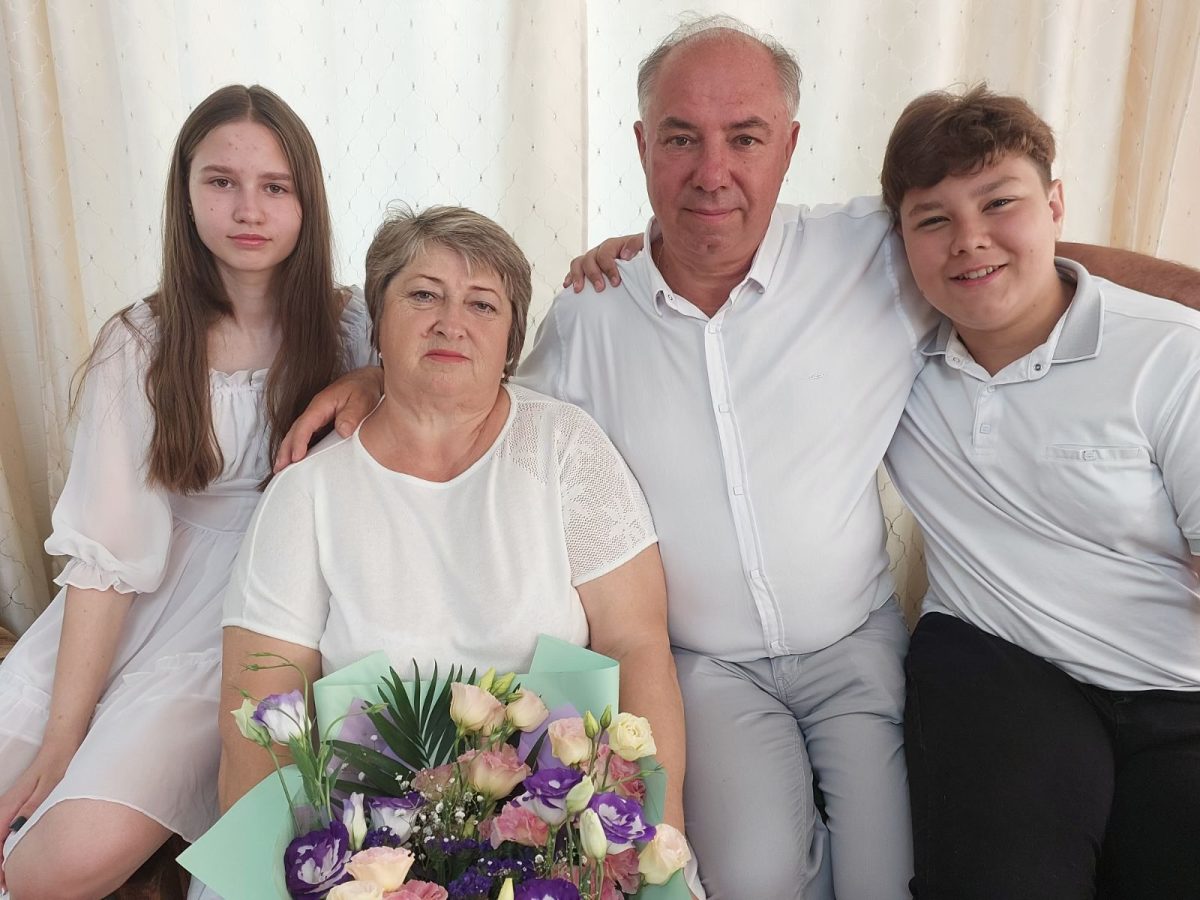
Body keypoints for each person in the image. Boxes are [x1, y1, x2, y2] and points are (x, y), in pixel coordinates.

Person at [276, 17, 1200, 899]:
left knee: (890, 884)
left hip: (855, 643)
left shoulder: (872, 252)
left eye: (745, 138)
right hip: (709, 667)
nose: (712, 170)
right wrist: (378, 383)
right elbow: (487, 390)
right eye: (681, 139)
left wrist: (1181, 293)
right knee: (753, 879)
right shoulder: (595, 312)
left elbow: (1007, 249)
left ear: (790, 145)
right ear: (642, 147)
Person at [218, 206, 690, 853]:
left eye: (482, 305)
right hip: (365, 851)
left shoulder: (564, 447)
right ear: (378, 327)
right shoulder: (307, 494)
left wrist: (654, 840)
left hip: (557, 836)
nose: (450, 323)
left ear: (511, 342)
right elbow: (259, 717)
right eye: (423, 295)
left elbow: (638, 644)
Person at [0, 84, 374, 898]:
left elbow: (475, 363)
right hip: (142, 595)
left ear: (307, 200)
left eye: (275, 186)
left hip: (260, 608)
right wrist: (65, 733)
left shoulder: (355, 330)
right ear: (185, 192)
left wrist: (374, 375)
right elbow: (108, 559)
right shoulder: (139, 344)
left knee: (48, 870)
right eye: (221, 182)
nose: (249, 208)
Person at [879, 85, 1200, 900]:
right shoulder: (889, 356)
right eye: (934, 220)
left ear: (1056, 204)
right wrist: (657, 244)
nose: (969, 241)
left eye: (1000, 203)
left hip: (1176, 692)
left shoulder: (1170, 355)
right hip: (1003, 667)